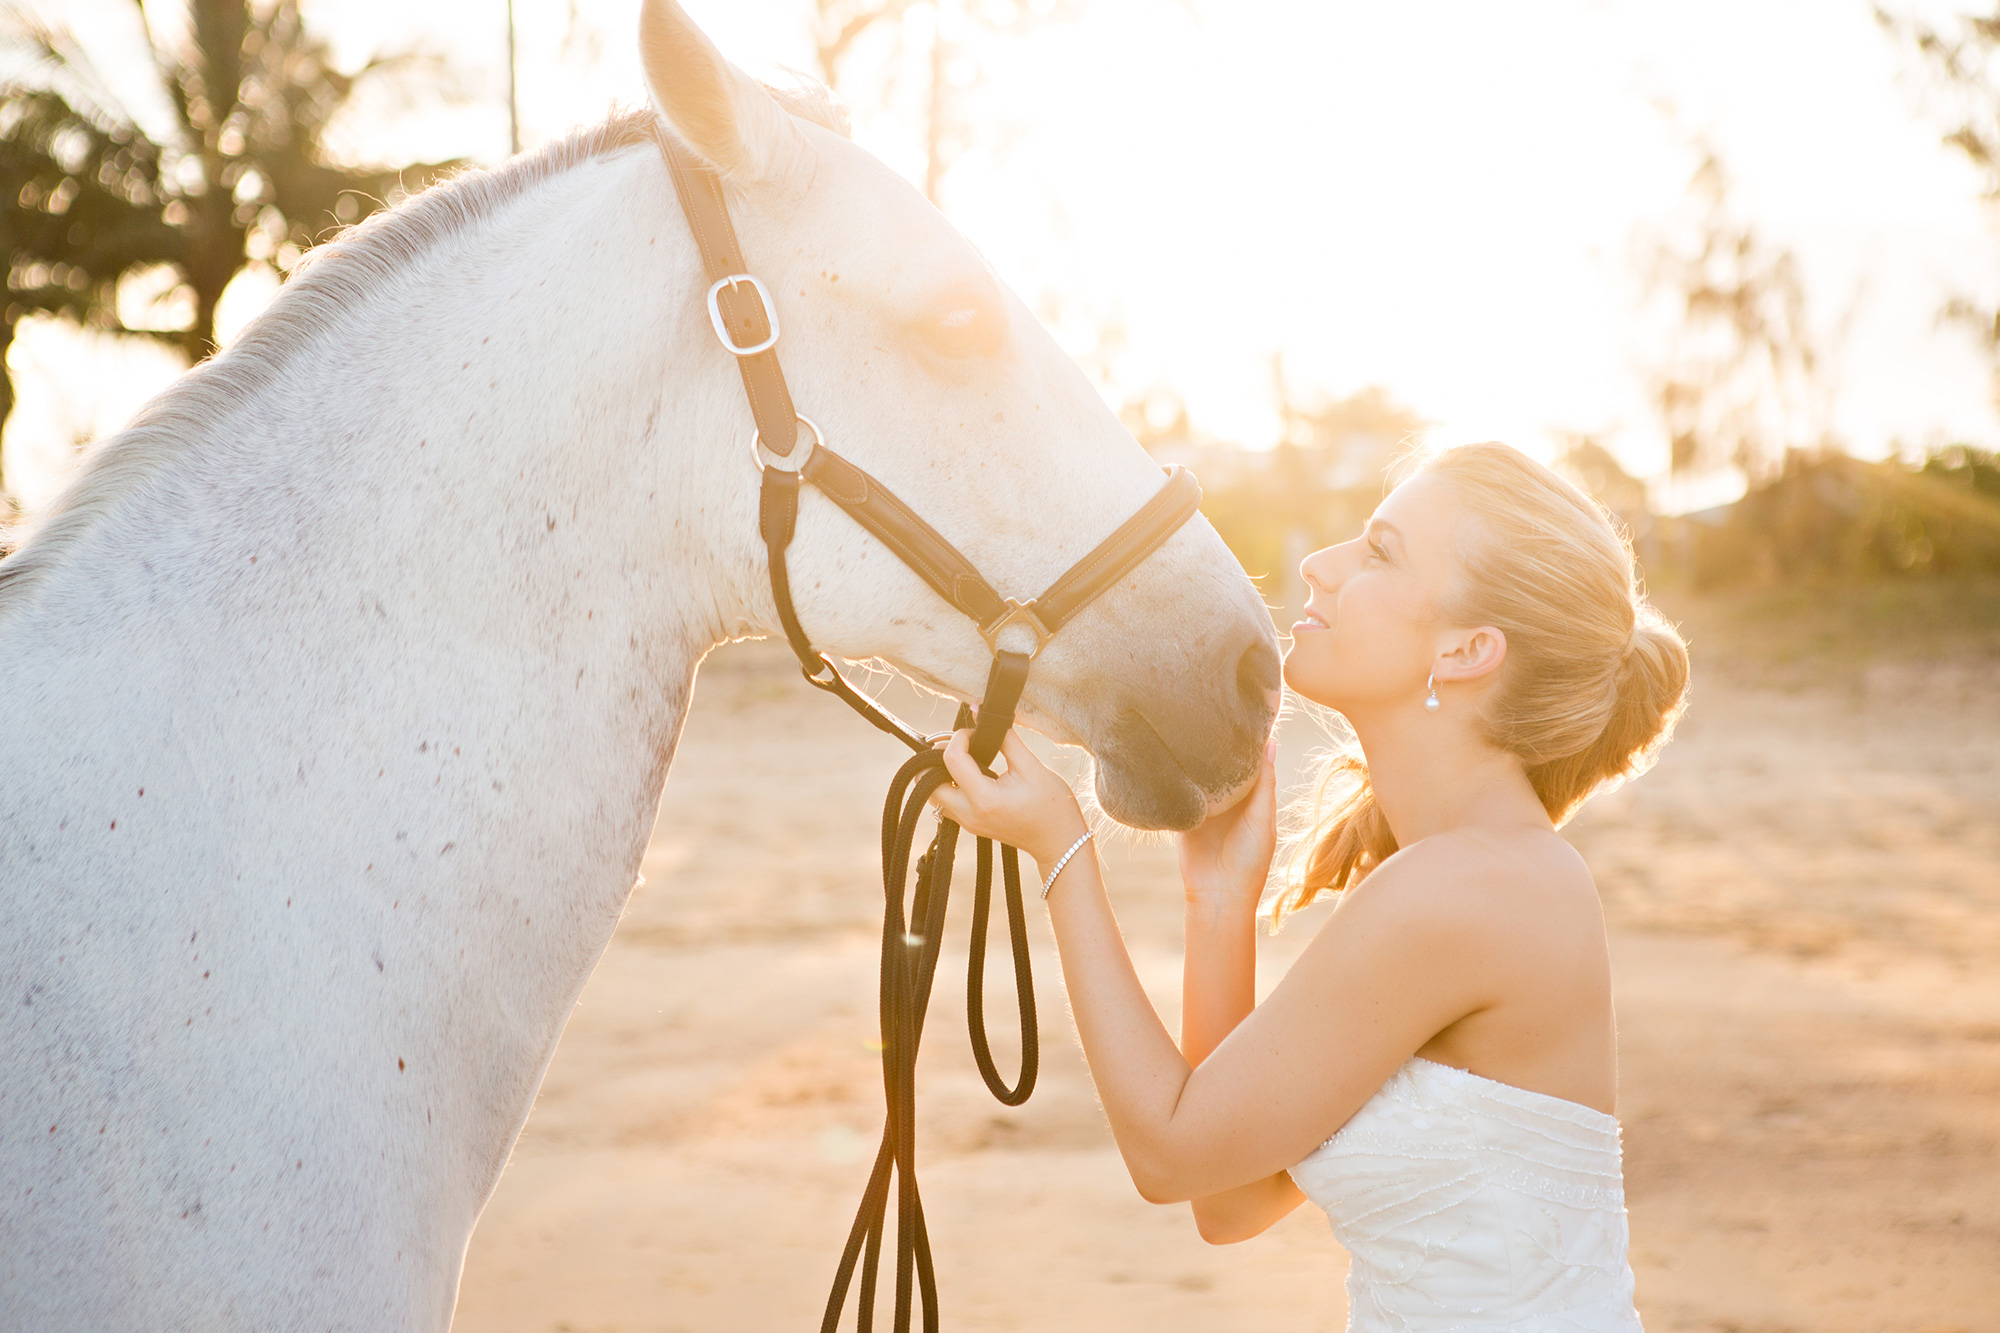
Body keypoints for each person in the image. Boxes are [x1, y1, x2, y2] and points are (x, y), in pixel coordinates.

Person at [930, 441, 1689, 1331]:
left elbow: (1171, 1156)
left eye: (1379, 552)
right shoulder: (1478, 871)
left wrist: (1060, 846)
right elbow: (1229, 1199)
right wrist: (1219, 905)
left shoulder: (1462, 890)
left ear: (1469, 648)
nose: (1319, 568)